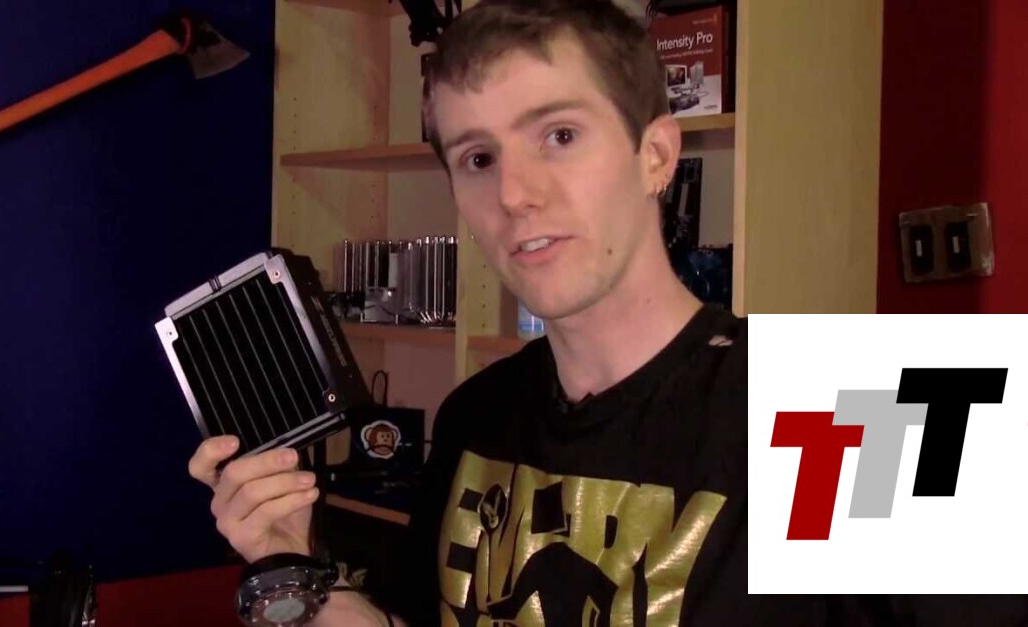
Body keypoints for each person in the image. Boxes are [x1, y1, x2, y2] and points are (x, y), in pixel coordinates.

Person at [187, 1, 1026, 625]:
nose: (515, 193)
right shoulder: (477, 416)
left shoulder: (884, 409)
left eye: (558, 135)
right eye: (477, 157)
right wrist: (289, 561)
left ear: (655, 153)